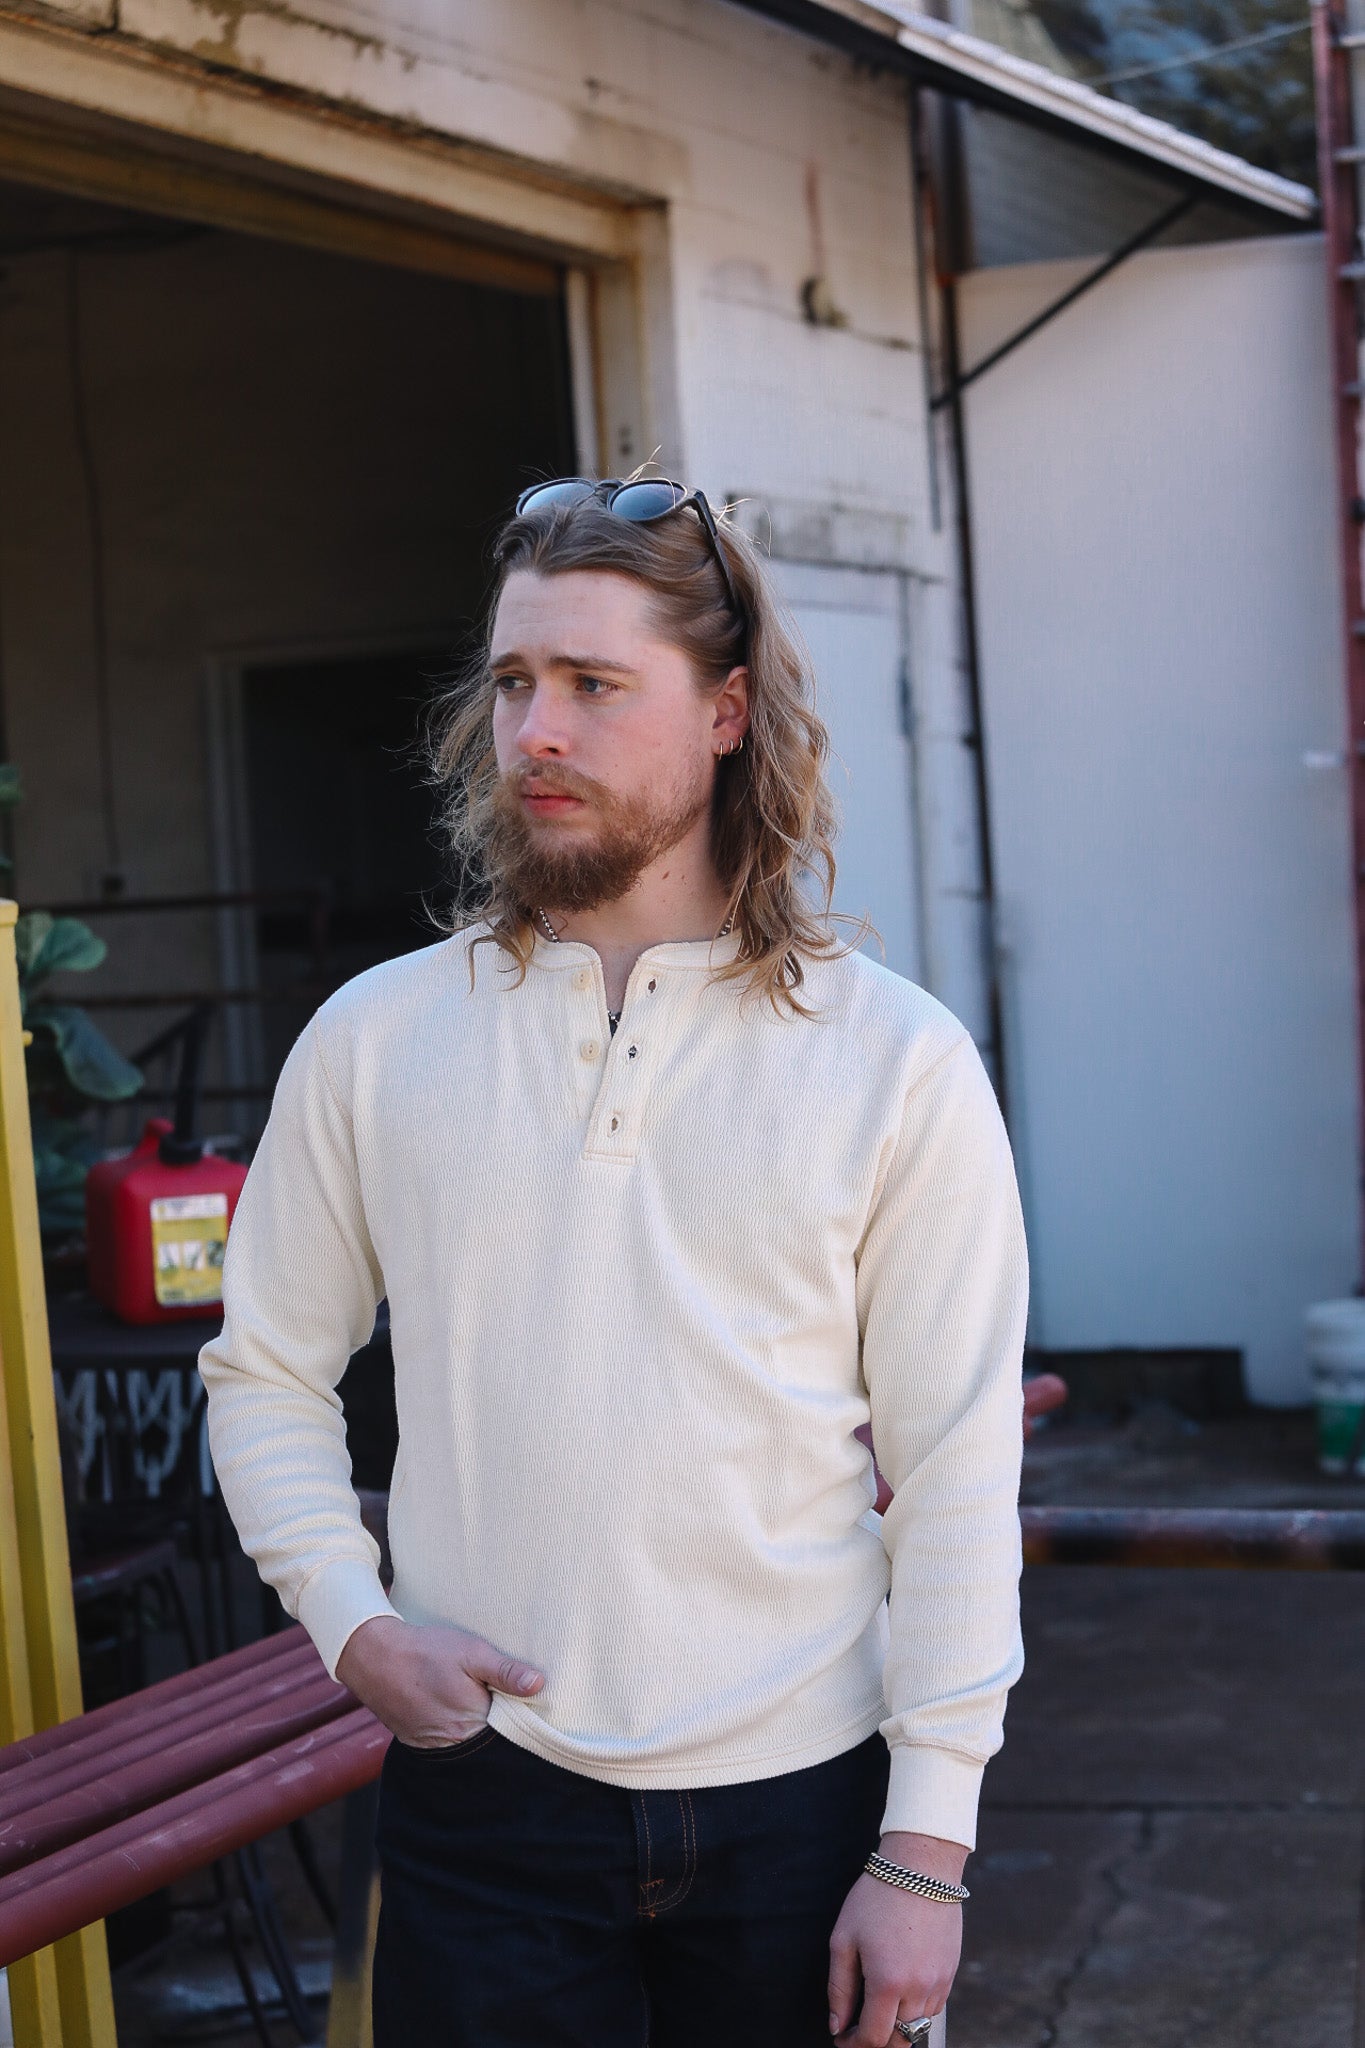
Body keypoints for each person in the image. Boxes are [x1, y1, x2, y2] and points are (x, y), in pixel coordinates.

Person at [199, 475, 1030, 2048]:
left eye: (591, 684)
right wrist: (350, 1620)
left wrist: (926, 1849)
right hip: (485, 1797)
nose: (536, 731)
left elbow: (956, 1467)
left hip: (806, 1800)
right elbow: (265, 1370)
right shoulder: (376, 1038)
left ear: (724, 714)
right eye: (513, 684)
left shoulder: (894, 1060)